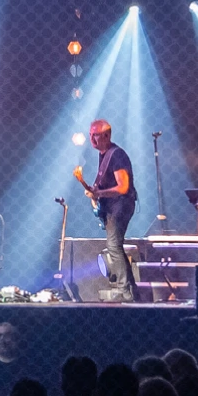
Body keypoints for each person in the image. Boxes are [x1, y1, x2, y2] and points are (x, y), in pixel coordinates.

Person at [73, 119, 138, 301]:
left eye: (96, 135)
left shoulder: (116, 155)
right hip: (112, 206)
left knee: (114, 246)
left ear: (107, 135)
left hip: (121, 205)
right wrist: (94, 192)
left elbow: (123, 187)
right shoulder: (104, 156)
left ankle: (124, 289)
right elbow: (102, 187)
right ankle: (131, 290)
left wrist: (99, 193)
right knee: (115, 246)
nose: (92, 139)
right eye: (90, 135)